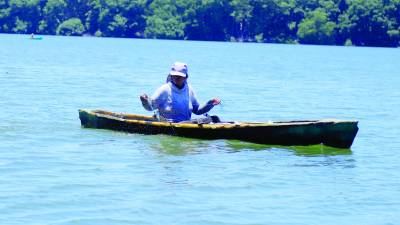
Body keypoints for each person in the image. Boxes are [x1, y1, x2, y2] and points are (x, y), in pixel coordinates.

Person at [140, 62, 220, 122]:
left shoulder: (189, 90)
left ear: (186, 77)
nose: (177, 78)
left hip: (186, 124)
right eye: (175, 75)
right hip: (168, 125)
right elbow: (150, 107)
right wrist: (145, 101)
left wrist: (210, 104)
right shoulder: (164, 89)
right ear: (171, 76)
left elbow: (197, 110)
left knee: (212, 119)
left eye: (180, 76)